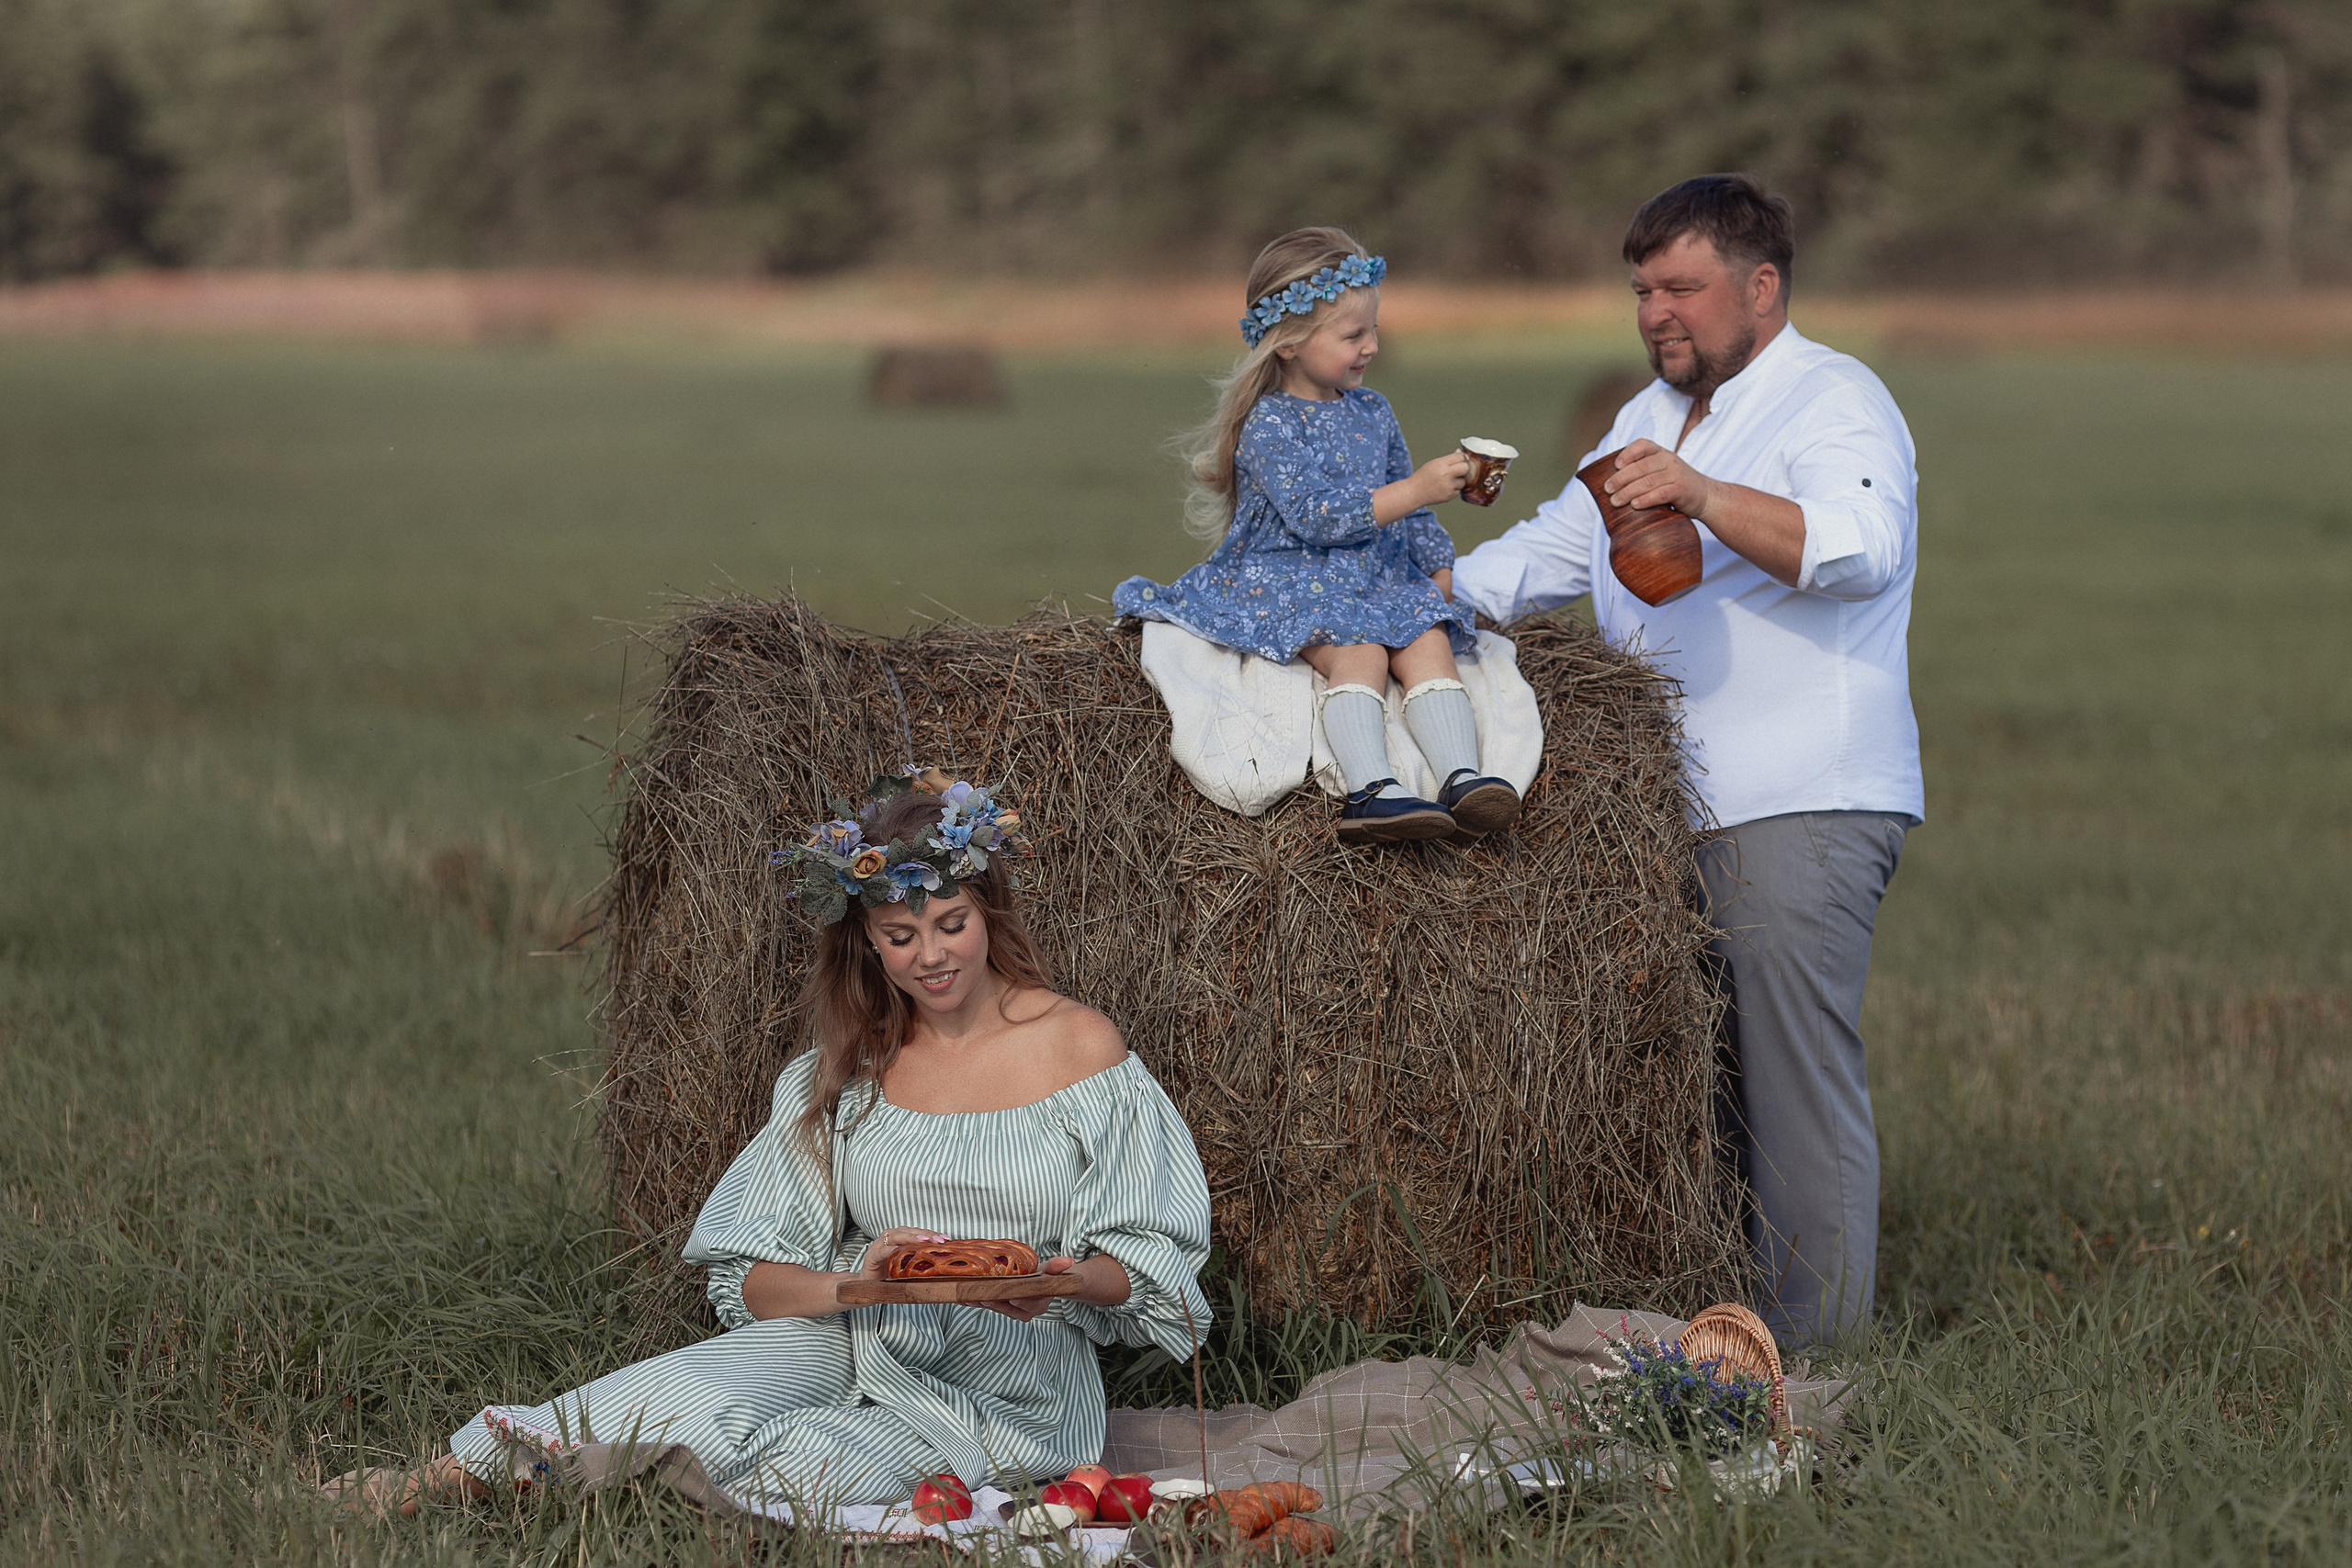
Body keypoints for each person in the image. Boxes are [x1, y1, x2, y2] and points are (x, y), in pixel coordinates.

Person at [326, 770, 1213, 1514]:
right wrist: (860, 1281)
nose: (932, 957)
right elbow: (746, 1276)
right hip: (861, 1326)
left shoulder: (1077, 1047)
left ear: (988, 910)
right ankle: (453, 1477)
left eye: (952, 924)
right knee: (696, 1384)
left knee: (801, 1470)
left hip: (1012, 1383)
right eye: (900, 938)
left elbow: (1152, 1258)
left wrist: (1058, 1278)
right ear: (867, 944)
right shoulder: (850, 1071)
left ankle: (617, 1500)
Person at [1451, 175, 1922, 1348]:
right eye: (1641, 290)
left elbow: (1860, 549)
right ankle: (1722, 1352)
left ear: (1760, 288)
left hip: (1800, 796)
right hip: (1676, 810)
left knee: (1793, 1095)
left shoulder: (1833, 399)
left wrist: (1704, 496)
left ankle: (1815, 1376)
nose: (1657, 311)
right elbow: (1546, 552)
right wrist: (1387, 602)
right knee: (1710, 1096)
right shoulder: (1645, 423)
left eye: (1682, 286)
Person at [1114, 227, 1521, 845]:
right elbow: (1315, 516)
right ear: (1289, 342)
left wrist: (1436, 570)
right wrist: (1415, 488)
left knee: (1428, 639)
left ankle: (1463, 777)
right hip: (1289, 576)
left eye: (1374, 330)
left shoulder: (1373, 412)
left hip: (1369, 574)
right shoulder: (1268, 424)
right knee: (1359, 650)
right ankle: (1371, 790)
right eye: (1354, 334)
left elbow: (1410, 513)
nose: (1373, 346)